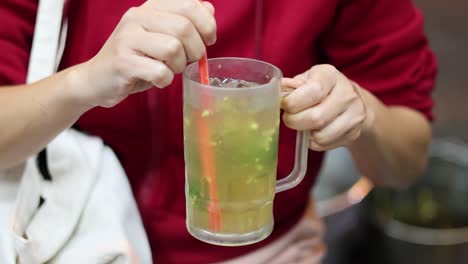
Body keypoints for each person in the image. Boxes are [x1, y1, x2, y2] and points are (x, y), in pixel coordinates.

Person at [0, 0, 436, 263]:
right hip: (80, 243)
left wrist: (364, 114)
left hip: (268, 250)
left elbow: (406, 162)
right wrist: (86, 82)